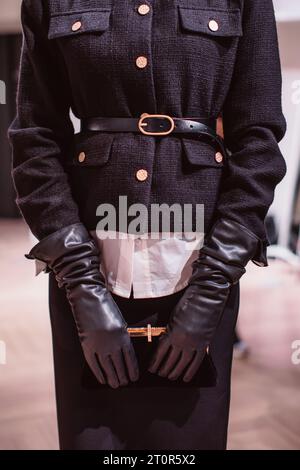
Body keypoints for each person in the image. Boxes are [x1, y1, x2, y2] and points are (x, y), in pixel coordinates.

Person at [8, 0, 286, 450]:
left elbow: (258, 140)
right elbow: (35, 135)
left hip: (200, 276)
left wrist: (212, 286)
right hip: (88, 277)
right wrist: (81, 286)